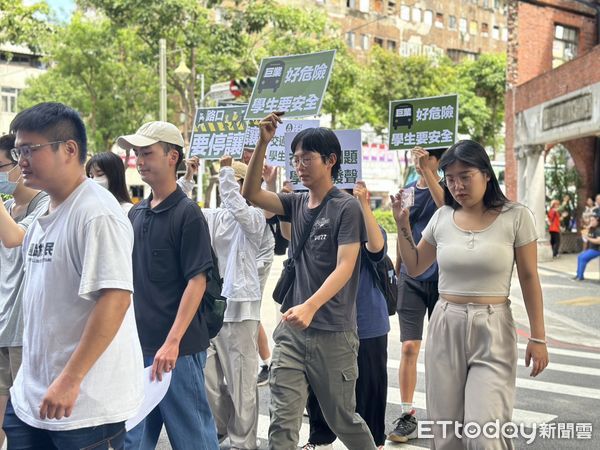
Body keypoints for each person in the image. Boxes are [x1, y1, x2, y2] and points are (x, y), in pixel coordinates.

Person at [392, 139, 549, 449]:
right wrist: (402, 225)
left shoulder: (516, 216)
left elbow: (530, 277)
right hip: (446, 322)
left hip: (493, 328)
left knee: (484, 432)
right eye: (450, 179)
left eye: (465, 176)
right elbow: (414, 264)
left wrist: (539, 337)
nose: (457, 186)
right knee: (447, 431)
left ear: (486, 174)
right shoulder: (442, 218)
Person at [4, 102, 143, 449]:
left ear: (69, 149)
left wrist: (70, 379)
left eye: (29, 150)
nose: (21, 160)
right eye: (18, 150)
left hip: (82, 408)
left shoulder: (96, 213)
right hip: (31, 400)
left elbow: (116, 299)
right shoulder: (44, 217)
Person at [242, 112, 377, 450]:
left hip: (334, 333)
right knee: (282, 422)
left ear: (330, 161)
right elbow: (252, 193)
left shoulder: (346, 208)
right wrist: (263, 142)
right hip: (292, 332)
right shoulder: (296, 202)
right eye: (296, 158)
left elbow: (346, 267)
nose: (299, 165)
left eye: (307, 158)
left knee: (341, 419)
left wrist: (311, 305)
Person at [119, 121, 219, 450]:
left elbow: (197, 281)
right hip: (140, 350)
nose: (139, 161)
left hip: (179, 352)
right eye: (136, 154)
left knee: (194, 439)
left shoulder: (188, 214)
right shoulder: (136, 214)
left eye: (147, 153)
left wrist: (173, 343)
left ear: (172, 156)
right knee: (132, 440)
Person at [302, 181, 389, 450]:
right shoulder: (318, 224)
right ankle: (320, 440)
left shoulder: (366, 225)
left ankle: (373, 442)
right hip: (326, 317)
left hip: (367, 320)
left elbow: (376, 248)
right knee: (320, 383)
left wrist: (363, 204)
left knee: (369, 386)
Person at [203, 155, 265, 450]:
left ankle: (243, 443)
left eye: (235, 181)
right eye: (225, 181)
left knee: (241, 384)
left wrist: (226, 170)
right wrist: (188, 177)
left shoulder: (254, 217)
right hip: (214, 309)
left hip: (241, 310)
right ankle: (222, 430)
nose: (226, 186)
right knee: (208, 382)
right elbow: (183, 208)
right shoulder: (215, 216)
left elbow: (238, 206)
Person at [388, 146, 445, 443]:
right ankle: (407, 415)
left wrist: (428, 173)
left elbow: (445, 206)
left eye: (425, 156)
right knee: (409, 346)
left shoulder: (449, 190)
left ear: (437, 160)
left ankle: (444, 413)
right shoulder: (408, 191)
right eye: (415, 156)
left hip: (443, 279)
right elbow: (402, 229)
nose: (417, 160)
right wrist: (398, 272)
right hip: (410, 278)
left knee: (442, 351)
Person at [0, 134, 49, 447]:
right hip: (3, 325)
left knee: (25, 423)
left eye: (0, 167)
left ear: (19, 165)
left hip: (25, 330)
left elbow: (15, 238)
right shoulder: (7, 204)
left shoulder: (45, 203)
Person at [573, 212, 600, 281]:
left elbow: (598, 241)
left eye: (593, 220)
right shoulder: (591, 229)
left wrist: (588, 238)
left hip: (596, 250)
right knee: (580, 257)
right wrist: (589, 227)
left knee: (582, 258)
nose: (591, 222)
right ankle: (578, 275)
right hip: (591, 249)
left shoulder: (598, 230)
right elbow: (584, 233)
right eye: (590, 220)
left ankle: (580, 276)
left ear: (597, 221)